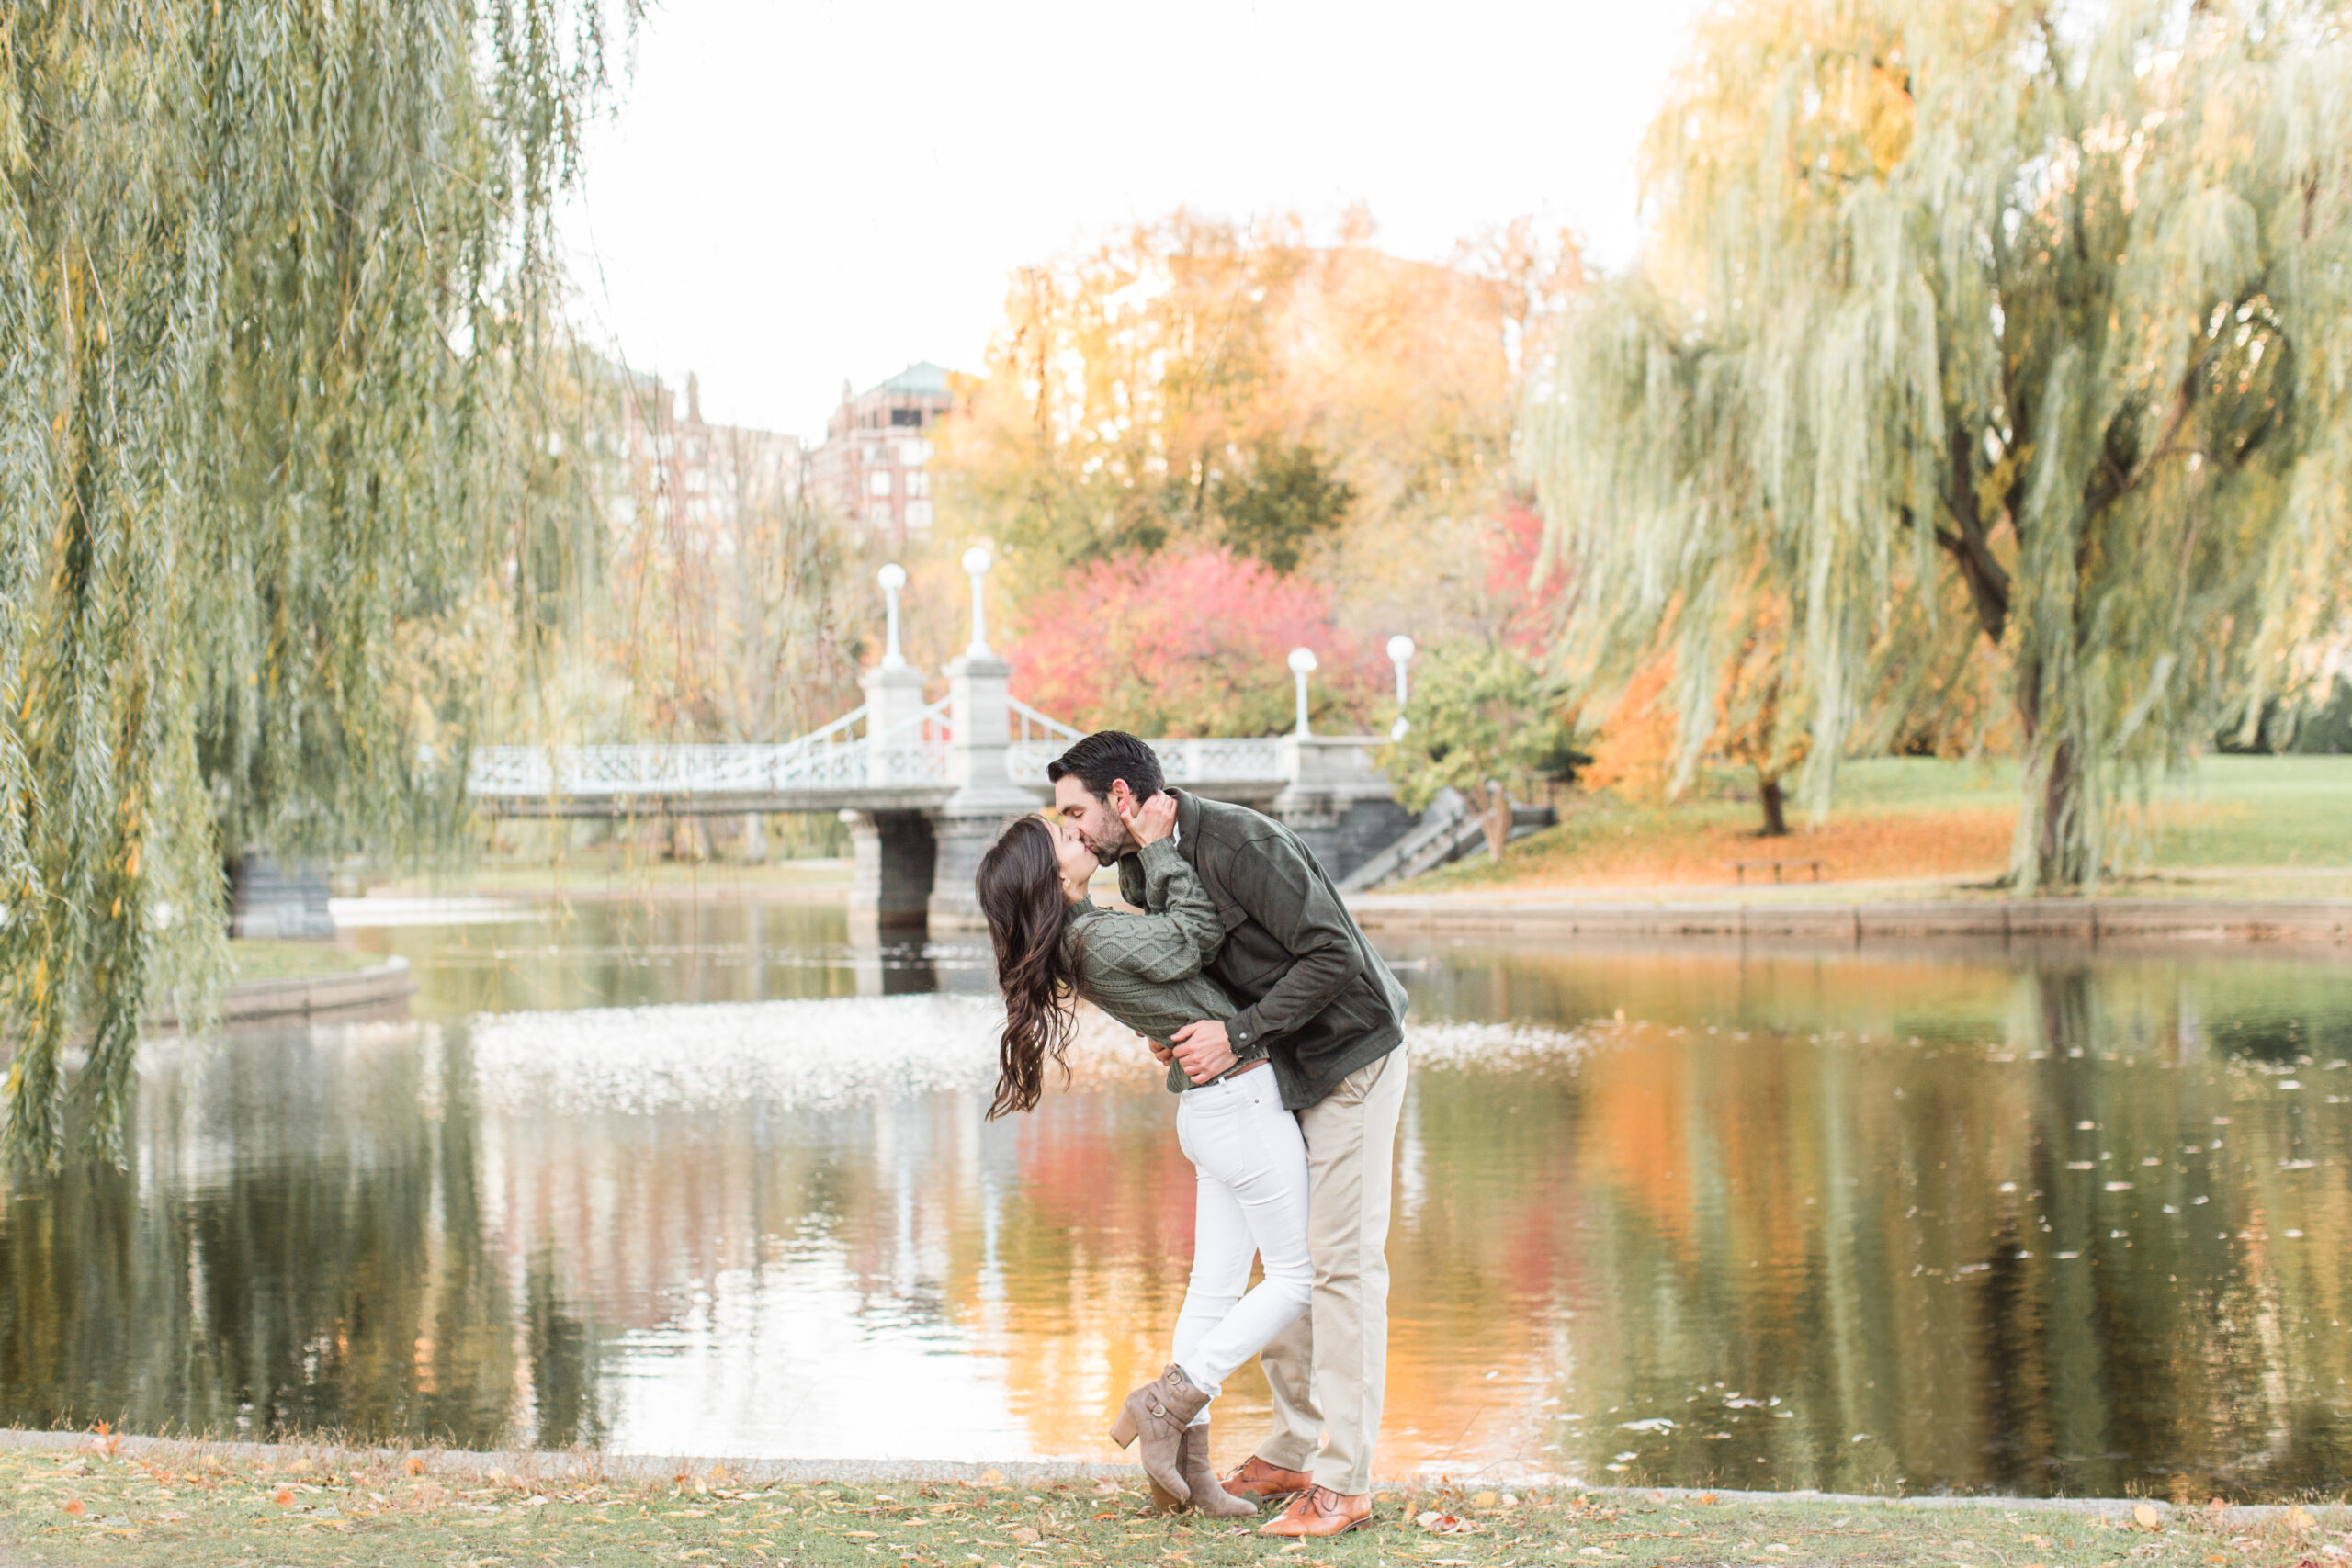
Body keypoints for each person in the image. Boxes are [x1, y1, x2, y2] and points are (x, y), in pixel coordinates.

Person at [1046, 731, 1409, 1540]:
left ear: (1119, 798)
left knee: (1340, 1267)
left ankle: (1345, 1482)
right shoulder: (1140, 866)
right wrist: (1178, 1023)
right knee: (1287, 1256)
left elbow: (1334, 956)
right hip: (1280, 1065)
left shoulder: (1241, 840)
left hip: (1349, 1057)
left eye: (1075, 810)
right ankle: (1290, 1445)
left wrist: (1236, 1033)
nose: (1070, 828)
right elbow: (1191, 960)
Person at [974, 795, 1312, 1518]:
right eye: (1064, 835)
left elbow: (1171, 973)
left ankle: (1187, 1479)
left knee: (1214, 1292)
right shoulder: (1091, 940)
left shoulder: (1083, 936)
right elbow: (1194, 936)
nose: (1079, 832)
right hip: (1241, 1107)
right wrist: (1159, 849)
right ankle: (1167, 1402)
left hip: (1213, 1110)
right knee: (1294, 1279)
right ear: (1050, 876)